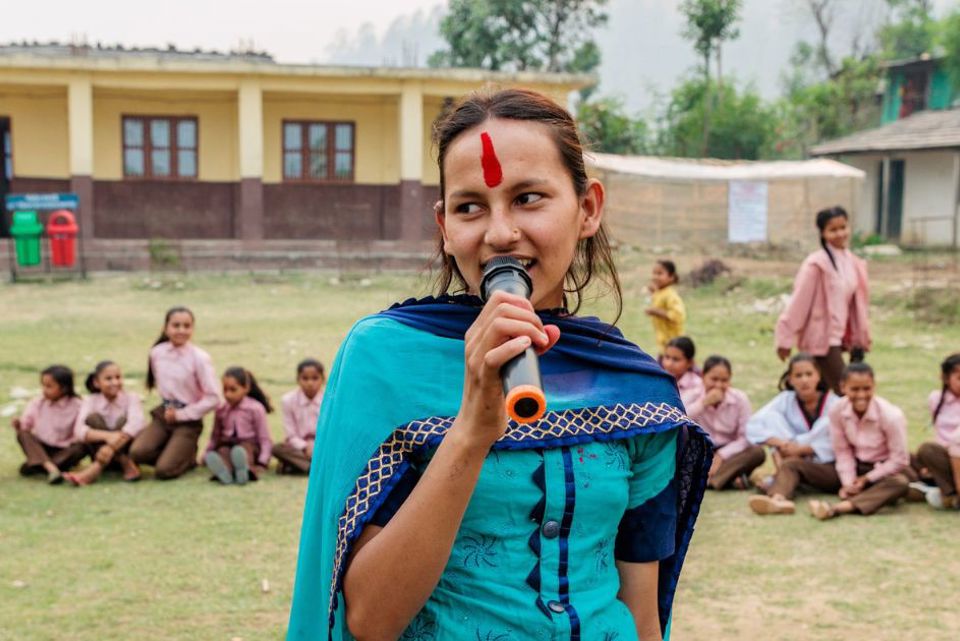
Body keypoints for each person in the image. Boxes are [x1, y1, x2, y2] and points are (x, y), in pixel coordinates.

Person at [287, 89, 711, 641]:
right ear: (444, 226)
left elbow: (642, 613)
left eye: (529, 198)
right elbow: (368, 619)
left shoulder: (634, 389)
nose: (500, 233)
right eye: (470, 207)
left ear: (588, 208)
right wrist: (471, 429)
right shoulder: (383, 362)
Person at [774, 206, 870, 394]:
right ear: (823, 233)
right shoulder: (816, 265)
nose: (840, 234)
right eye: (833, 230)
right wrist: (785, 338)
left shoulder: (852, 262)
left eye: (843, 227)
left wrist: (859, 338)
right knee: (846, 392)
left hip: (840, 336)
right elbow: (799, 303)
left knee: (821, 396)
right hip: (822, 340)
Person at [808, 363, 910, 520]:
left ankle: (839, 508)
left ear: (874, 387)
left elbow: (899, 460)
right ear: (843, 387)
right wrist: (849, 483)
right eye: (855, 389)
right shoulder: (837, 410)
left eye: (867, 389)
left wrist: (868, 478)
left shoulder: (891, 416)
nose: (861, 395)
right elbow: (842, 451)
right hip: (857, 467)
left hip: (885, 470)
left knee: (900, 483)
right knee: (796, 466)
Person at [130, 306, 220, 480]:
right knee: (137, 453)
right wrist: (169, 411)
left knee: (164, 471)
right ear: (166, 328)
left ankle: (184, 456)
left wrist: (183, 414)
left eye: (187, 326)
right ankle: (177, 452)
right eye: (176, 325)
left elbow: (214, 398)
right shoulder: (157, 353)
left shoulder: (199, 358)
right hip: (165, 413)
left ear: (193, 329)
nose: (181, 330)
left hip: (188, 418)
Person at [746, 353, 839, 515]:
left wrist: (801, 449)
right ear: (790, 379)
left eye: (809, 374)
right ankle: (778, 501)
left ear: (818, 376)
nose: (804, 380)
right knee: (771, 418)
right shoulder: (786, 400)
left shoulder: (835, 403)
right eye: (798, 375)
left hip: (826, 466)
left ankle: (779, 479)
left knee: (827, 425)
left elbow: (838, 443)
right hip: (791, 459)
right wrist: (781, 444)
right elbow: (754, 425)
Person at [687, 356, 764, 490]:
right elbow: (681, 421)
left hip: (730, 453)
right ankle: (730, 479)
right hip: (702, 451)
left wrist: (721, 456)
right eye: (714, 379)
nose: (719, 385)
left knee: (757, 452)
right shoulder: (692, 396)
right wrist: (703, 403)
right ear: (703, 376)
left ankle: (709, 481)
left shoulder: (739, 399)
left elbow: (746, 437)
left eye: (724, 380)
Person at [64, 360, 145, 486]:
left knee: (123, 422)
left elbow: (137, 424)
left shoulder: (131, 398)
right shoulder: (90, 400)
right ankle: (124, 462)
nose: (115, 382)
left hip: (123, 449)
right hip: (98, 451)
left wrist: (111, 446)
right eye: (108, 379)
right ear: (96, 383)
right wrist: (108, 437)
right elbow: (79, 430)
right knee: (93, 419)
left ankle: (96, 468)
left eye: (118, 377)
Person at [11, 365, 85, 484]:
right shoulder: (38, 403)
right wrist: (18, 424)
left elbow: (80, 431)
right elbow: (26, 425)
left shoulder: (78, 405)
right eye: (43, 386)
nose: (44, 390)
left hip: (64, 450)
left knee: (81, 447)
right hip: (42, 448)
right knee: (23, 434)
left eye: (49, 386)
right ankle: (51, 468)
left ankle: (40, 465)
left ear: (64, 388)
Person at [202, 367, 274, 485]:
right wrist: (206, 453)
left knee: (243, 452)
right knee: (223, 452)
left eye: (233, 390)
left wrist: (263, 461)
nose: (228, 394)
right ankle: (225, 472)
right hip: (227, 443)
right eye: (225, 390)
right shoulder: (222, 409)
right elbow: (215, 436)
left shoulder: (255, 408)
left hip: (249, 445)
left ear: (246, 388)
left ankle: (245, 470)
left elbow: (264, 438)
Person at [911, 353, 960, 509]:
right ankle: (950, 494)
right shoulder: (936, 399)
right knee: (924, 451)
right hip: (945, 455)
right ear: (945, 378)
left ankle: (946, 493)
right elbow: (940, 432)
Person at [273, 358, 325, 475]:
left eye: (315, 378)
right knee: (277, 449)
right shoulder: (288, 400)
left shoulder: (329, 400)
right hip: (299, 448)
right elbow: (290, 434)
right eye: (305, 378)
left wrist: (316, 445)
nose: (310, 383)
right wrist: (305, 446)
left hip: (322, 445)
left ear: (323, 379)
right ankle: (313, 468)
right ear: (298, 379)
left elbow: (331, 431)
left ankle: (296, 467)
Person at [645, 260, 685, 356]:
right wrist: (653, 292)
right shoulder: (660, 292)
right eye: (654, 273)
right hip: (664, 344)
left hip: (675, 343)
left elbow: (678, 316)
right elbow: (658, 300)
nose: (655, 277)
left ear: (671, 277)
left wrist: (656, 311)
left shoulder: (671, 295)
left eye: (659, 273)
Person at [661, 336, 704, 409]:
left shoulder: (697, 386)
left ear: (690, 362)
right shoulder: (660, 380)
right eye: (667, 357)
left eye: (676, 359)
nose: (669, 364)